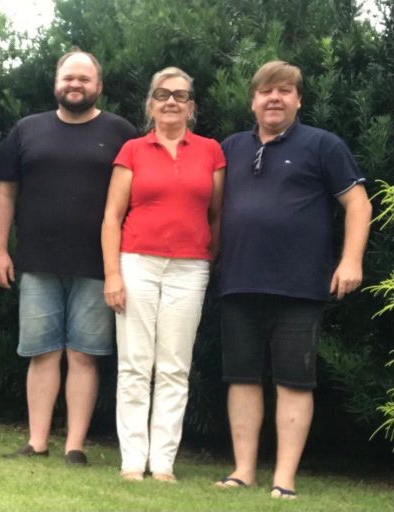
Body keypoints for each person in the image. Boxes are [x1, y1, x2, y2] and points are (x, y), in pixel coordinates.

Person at [215, 60, 372, 499]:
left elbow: (359, 204)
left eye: (285, 91)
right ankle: (243, 471)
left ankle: (284, 479)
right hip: (238, 282)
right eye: (266, 91)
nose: (275, 98)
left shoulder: (323, 145)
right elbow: (211, 208)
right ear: (253, 100)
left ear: (299, 100)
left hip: (299, 286)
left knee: (294, 381)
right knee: (241, 378)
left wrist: (351, 260)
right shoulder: (230, 148)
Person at [0, 49, 138, 465]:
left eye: (84, 79)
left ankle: (75, 446)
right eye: (68, 78)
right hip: (37, 261)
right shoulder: (27, 130)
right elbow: (5, 192)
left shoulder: (121, 132)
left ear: (99, 86)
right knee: (41, 353)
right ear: (56, 83)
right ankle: (37, 442)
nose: (75, 85)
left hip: (97, 265)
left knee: (84, 355)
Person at [101, 67, 225, 481]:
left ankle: (163, 463)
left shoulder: (211, 152)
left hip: (190, 268)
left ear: (191, 106)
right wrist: (113, 275)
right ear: (150, 105)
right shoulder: (132, 150)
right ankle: (133, 461)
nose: (171, 101)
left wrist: (209, 260)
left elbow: (216, 215)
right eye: (162, 94)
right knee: (134, 364)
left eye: (180, 95)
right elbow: (111, 217)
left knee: (174, 367)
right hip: (136, 262)